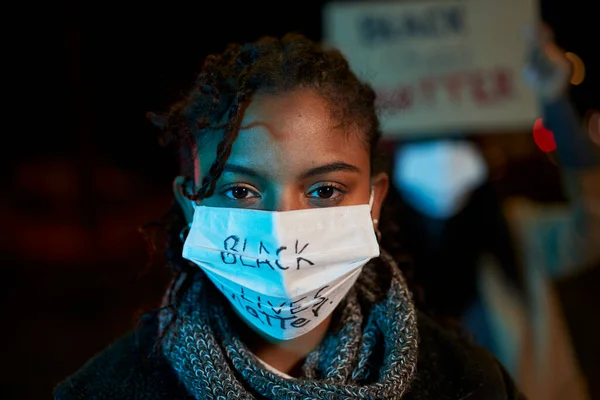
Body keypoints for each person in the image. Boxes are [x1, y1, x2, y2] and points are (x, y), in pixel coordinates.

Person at [53, 33, 523, 399]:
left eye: (323, 190)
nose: (282, 231)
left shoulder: (471, 385)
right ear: (190, 205)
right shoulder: (100, 392)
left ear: (374, 201)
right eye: (240, 190)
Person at [386, 26, 598, 400]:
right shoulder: (377, 253)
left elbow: (593, 220)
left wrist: (555, 103)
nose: (441, 159)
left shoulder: (518, 232)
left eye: (455, 141)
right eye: (424, 143)